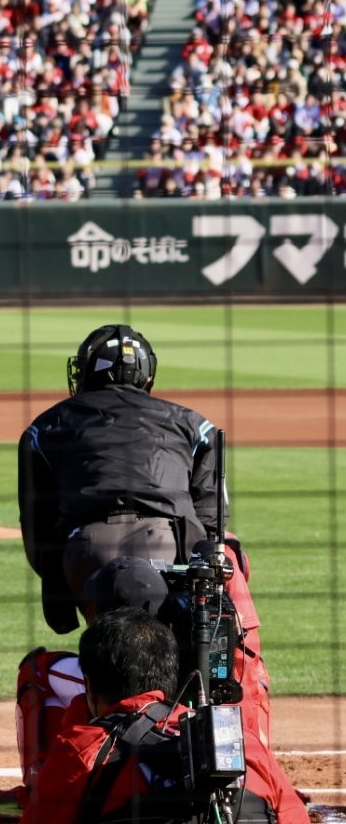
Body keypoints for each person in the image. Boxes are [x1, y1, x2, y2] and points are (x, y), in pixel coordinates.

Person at [18, 606, 310, 823]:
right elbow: (294, 817)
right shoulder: (240, 742)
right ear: (169, 674)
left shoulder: (81, 750)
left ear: (91, 686)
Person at [19, 324, 222, 635]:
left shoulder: (43, 428)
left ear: (85, 372)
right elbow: (211, 520)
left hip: (86, 548)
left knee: (106, 654)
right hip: (170, 545)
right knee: (173, 649)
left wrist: (59, 588)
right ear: (148, 376)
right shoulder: (195, 425)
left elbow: (37, 526)